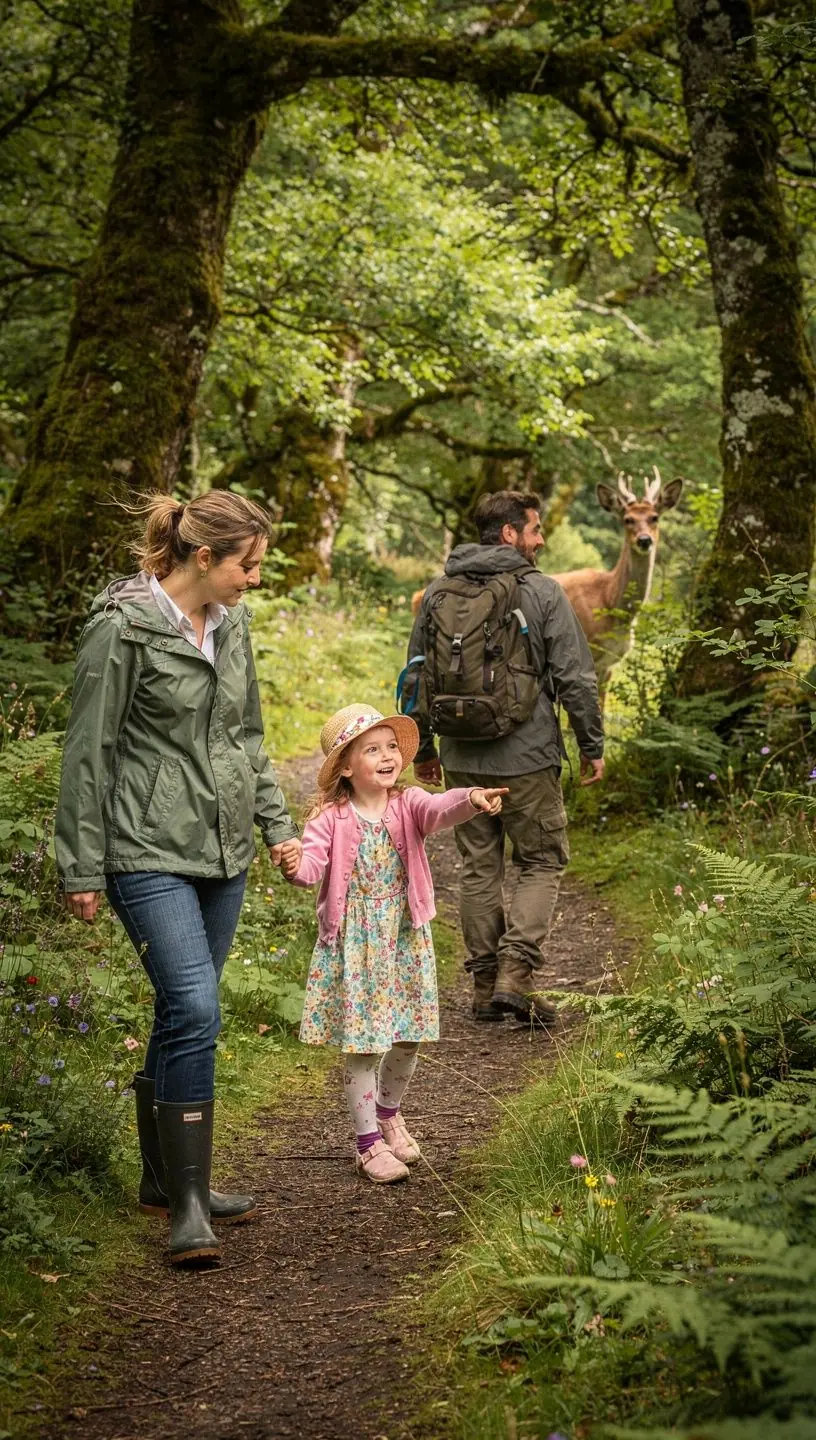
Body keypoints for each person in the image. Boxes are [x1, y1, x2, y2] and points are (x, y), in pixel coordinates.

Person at [55, 491, 302, 1266]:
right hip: (144, 847)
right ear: (204, 558)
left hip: (223, 850)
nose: (255, 579)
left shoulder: (235, 628)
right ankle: (189, 1208)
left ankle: (167, 1180)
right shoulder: (122, 629)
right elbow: (88, 750)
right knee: (196, 1004)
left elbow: (246, 737)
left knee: (181, 1010)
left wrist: (277, 829)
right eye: (248, 565)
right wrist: (80, 862)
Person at [279, 703, 506, 1184]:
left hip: (404, 937)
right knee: (363, 1045)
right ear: (346, 765)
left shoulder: (408, 803)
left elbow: (440, 807)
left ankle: (387, 1114)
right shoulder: (329, 818)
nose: (387, 757)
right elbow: (311, 869)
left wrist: (472, 797)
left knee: (408, 1034)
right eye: (372, 750)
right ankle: (366, 1145)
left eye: (390, 748)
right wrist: (293, 864)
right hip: (357, 944)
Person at [407, 490, 604, 1025]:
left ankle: (483, 984)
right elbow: (575, 677)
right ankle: (516, 973)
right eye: (536, 529)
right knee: (542, 859)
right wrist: (592, 745)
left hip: (462, 756)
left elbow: (415, 675)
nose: (542, 540)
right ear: (511, 533)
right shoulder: (541, 591)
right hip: (528, 756)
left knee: (478, 865)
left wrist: (423, 748)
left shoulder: (437, 593)